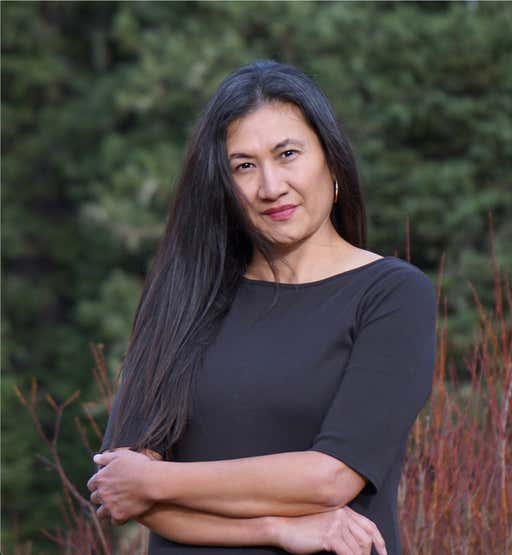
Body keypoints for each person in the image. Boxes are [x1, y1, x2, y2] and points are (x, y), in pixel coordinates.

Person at [86, 59, 436, 555]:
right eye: (244, 166)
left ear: (331, 160)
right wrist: (278, 529)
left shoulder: (392, 295)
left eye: (287, 153)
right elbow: (123, 494)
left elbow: (330, 478)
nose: (270, 187)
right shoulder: (184, 296)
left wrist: (158, 480)